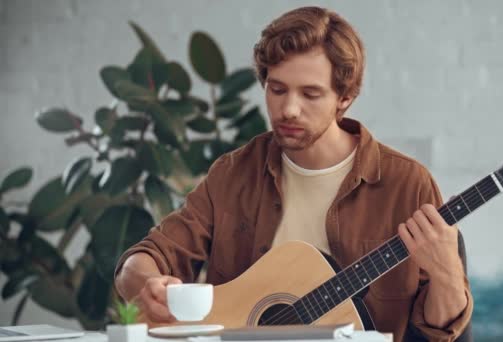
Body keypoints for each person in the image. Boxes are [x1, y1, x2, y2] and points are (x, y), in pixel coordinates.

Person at [114, 6, 472, 342]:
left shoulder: (406, 185)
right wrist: (147, 284)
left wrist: (447, 274)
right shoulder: (233, 173)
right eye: (277, 89)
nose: (288, 109)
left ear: (344, 97)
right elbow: (146, 257)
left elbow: (439, 334)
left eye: (311, 94)